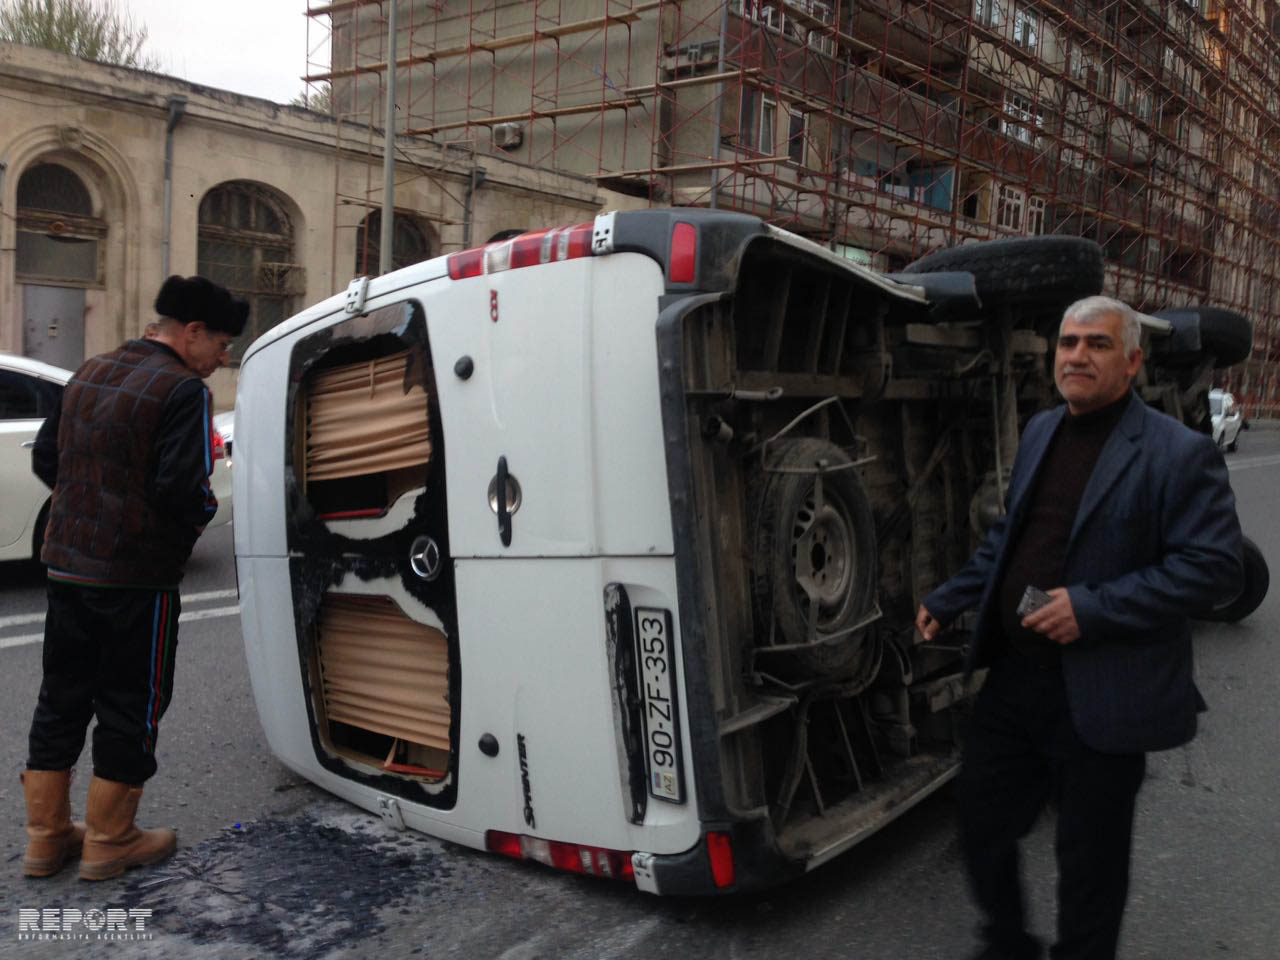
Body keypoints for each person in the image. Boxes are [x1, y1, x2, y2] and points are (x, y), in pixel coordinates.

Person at [916, 296, 1243, 960]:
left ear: (1131, 362)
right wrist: (953, 596)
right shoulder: (1042, 431)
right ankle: (1008, 941)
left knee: (1090, 865)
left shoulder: (1177, 453)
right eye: (1068, 343)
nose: (1077, 356)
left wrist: (1090, 608)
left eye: (1096, 344)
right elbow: (1014, 537)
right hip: (1017, 677)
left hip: (1104, 688)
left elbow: (1213, 571)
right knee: (981, 820)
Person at [20, 275, 247, 881]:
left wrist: (88, 511)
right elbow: (185, 490)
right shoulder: (183, 391)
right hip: (135, 581)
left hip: (67, 566)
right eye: (221, 344)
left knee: (61, 698)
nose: (222, 359)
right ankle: (109, 838)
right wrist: (186, 526)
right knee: (130, 705)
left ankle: (45, 839)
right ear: (191, 332)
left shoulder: (89, 371)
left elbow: (49, 460)